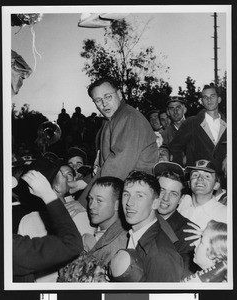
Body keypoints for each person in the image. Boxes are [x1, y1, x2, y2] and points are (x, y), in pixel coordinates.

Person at [76, 78, 158, 208]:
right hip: (121, 190)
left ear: (119, 94)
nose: (104, 104)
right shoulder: (112, 120)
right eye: (98, 100)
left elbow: (116, 169)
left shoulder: (128, 118)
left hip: (135, 197)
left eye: (108, 97)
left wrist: (84, 203)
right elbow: (105, 166)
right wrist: (81, 183)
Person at [13, 170, 83, 282]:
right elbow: (71, 244)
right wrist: (48, 194)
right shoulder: (12, 246)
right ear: (55, 187)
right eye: (63, 175)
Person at [118, 170, 184, 282]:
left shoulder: (161, 255)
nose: (129, 202)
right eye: (126, 194)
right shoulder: (136, 235)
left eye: (139, 196)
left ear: (155, 203)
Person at [169, 84, 227, 187]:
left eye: (212, 96)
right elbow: (175, 148)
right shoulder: (192, 122)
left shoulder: (228, 124)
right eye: (205, 97)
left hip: (224, 183)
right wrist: (184, 174)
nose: (209, 99)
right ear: (202, 101)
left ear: (219, 99)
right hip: (199, 182)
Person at [153, 161, 199, 276]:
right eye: (161, 190)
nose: (165, 198)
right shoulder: (139, 218)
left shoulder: (189, 233)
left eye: (173, 194)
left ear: (181, 199)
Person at [177, 159, 227, 231]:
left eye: (207, 176)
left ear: (216, 185)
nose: (200, 178)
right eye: (195, 175)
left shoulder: (224, 214)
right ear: (189, 183)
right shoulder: (182, 205)